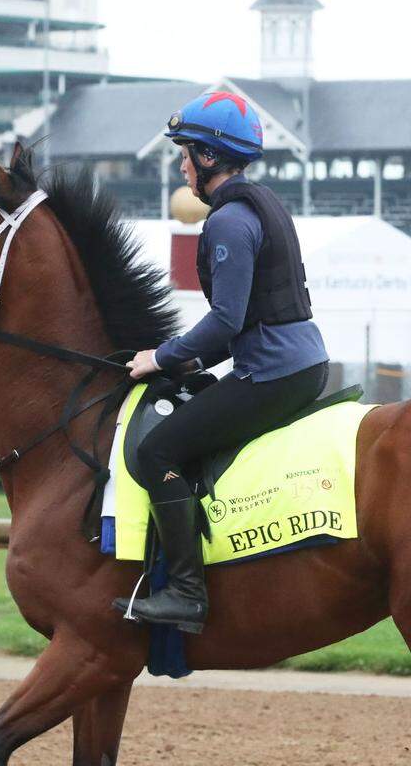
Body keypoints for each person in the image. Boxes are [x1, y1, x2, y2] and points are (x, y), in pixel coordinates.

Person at [113, 91, 329, 634]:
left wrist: (161, 356)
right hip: (296, 360)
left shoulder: (229, 222)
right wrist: (185, 362)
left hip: (274, 371)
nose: (181, 164)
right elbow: (248, 319)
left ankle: (186, 592)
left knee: (160, 447)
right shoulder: (260, 204)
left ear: (208, 158)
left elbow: (228, 321)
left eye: (185, 153)